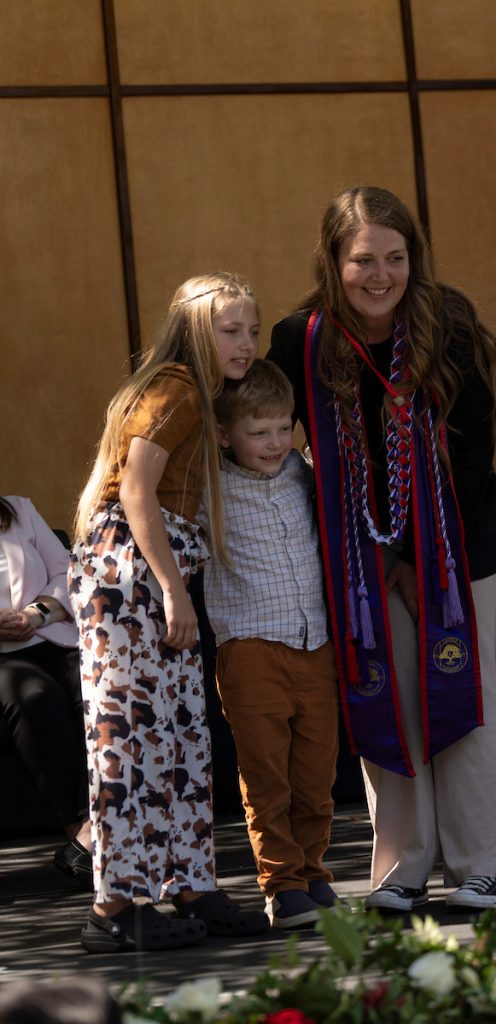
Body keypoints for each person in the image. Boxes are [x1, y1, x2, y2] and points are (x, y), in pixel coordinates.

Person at [268, 186, 496, 913]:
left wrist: (417, 558)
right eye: (363, 260)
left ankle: (480, 865)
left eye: (396, 258)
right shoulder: (301, 340)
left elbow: (469, 460)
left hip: (457, 554)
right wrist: (373, 556)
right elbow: (270, 444)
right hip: (361, 565)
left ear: (415, 257)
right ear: (333, 261)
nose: (380, 275)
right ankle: (402, 866)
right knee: (391, 704)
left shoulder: (449, 325)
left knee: (469, 702)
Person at [68, 271, 269, 953]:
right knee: (129, 738)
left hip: (159, 568)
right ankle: (115, 906)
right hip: (132, 575)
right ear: (194, 330)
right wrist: (171, 589)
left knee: (180, 733)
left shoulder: (192, 393)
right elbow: (134, 491)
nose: (245, 342)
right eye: (230, 329)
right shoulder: (177, 389)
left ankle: (190, 883)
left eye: (251, 328)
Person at [199, 359, 339, 929]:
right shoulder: (210, 486)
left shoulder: (303, 475)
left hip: (316, 645)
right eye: (259, 433)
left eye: (284, 427)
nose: (275, 442)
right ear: (225, 436)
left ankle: (314, 871)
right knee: (267, 775)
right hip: (251, 649)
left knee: (316, 772)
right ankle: (280, 883)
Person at [0, 494, 92, 884]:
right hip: (5, 660)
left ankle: (94, 835)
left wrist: (35, 614)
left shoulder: (18, 509)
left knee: (98, 689)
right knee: (35, 697)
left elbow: (68, 570)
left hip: (52, 634)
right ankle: (79, 832)